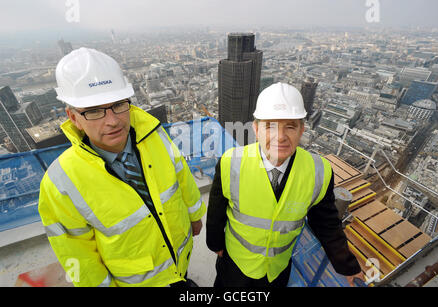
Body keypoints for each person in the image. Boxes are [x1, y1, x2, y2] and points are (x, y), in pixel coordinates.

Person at [38, 48, 205, 287]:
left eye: (118, 104)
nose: (113, 120)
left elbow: (181, 175)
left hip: (179, 259)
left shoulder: (154, 135)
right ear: (73, 117)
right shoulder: (61, 181)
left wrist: (195, 215)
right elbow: (76, 253)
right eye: (94, 111)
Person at [206, 82, 364, 287]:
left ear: (301, 130)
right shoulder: (231, 163)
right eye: (270, 126)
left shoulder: (319, 172)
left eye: (290, 126)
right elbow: (216, 211)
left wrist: (348, 266)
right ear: (256, 129)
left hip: (277, 269)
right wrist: (215, 243)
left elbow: (326, 222)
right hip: (236, 264)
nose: (280, 137)